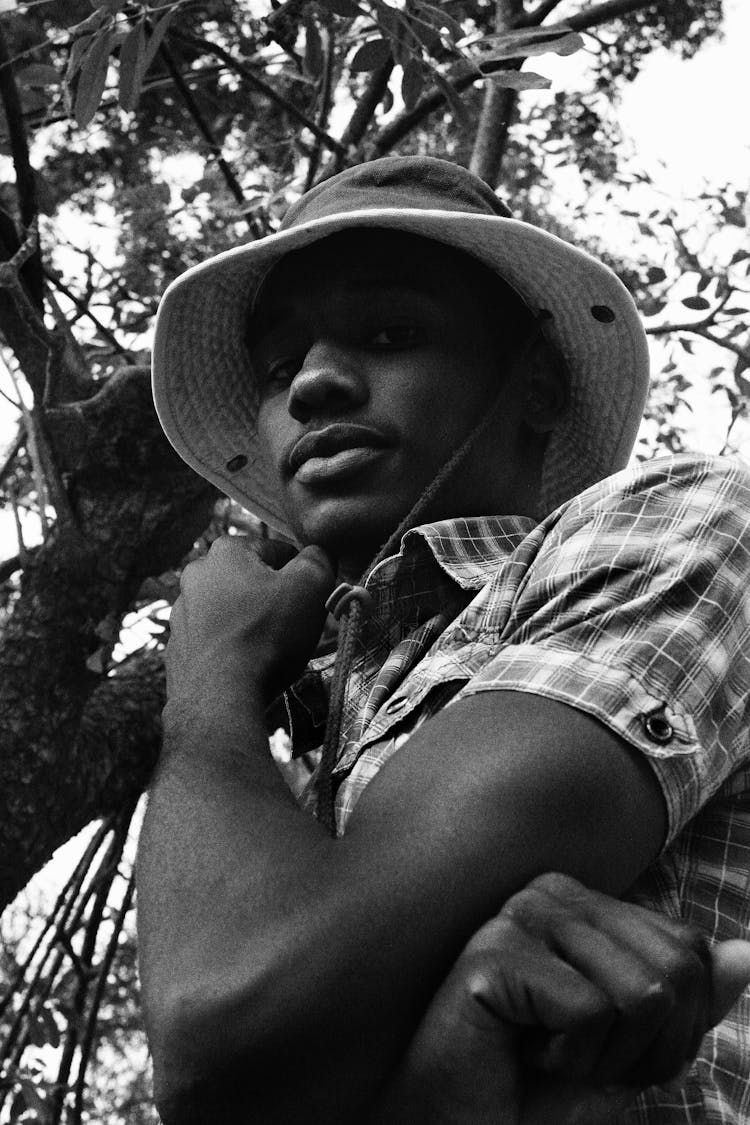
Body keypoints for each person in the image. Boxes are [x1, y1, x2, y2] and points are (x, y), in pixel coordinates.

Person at [140, 156, 750, 1124]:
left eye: (391, 333)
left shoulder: (680, 522)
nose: (315, 385)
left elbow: (223, 1038)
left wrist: (208, 683)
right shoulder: (300, 763)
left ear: (539, 386)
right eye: (278, 364)